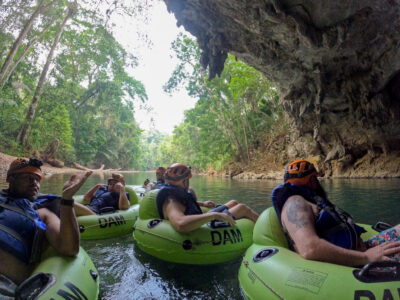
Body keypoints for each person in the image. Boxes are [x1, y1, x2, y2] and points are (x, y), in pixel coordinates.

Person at [272, 159, 400, 267]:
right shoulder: (295, 203)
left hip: (362, 250)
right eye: (315, 178)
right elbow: (309, 248)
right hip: (355, 262)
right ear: (311, 180)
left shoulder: (311, 201)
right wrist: (366, 257)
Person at [0, 157, 91, 295]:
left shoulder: (43, 214)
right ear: (10, 179)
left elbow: (70, 248)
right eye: (27, 177)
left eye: (37, 179)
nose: (34, 183)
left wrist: (67, 200)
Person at [156, 163, 259, 233]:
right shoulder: (171, 201)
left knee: (233, 203)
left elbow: (189, 205)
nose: (188, 182)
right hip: (203, 225)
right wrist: (214, 215)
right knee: (242, 208)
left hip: (200, 218)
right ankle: (268, 232)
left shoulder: (178, 193)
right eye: (187, 180)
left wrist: (203, 204)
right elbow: (180, 224)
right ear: (183, 181)